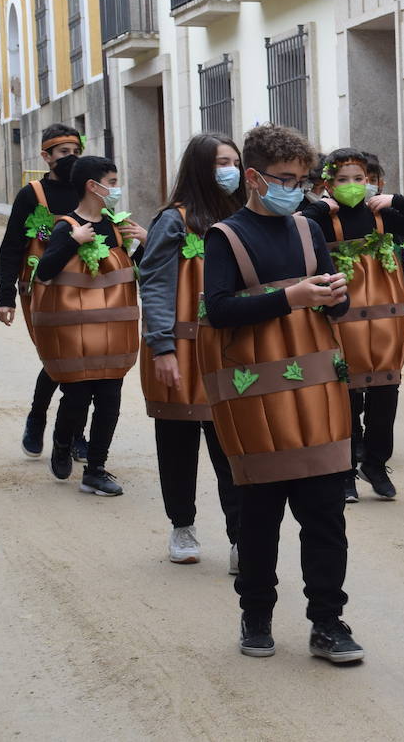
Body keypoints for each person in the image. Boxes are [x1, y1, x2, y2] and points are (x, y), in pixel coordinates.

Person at [199, 123, 362, 663]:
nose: (298, 187)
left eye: (303, 179)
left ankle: (328, 623)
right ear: (254, 177)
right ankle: (257, 615)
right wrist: (288, 296)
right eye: (286, 178)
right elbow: (218, 309)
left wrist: (336, 296)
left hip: (317, 397)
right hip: (255, 406)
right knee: (259, 517)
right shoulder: (224, 236)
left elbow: (332, 303)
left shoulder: (308, 229)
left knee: (324, 517)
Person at [302, 148, 404, 502]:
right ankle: (344, 470)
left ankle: (375, 464)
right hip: (341, 323)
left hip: (385, 323)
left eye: (358, 179)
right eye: (342, 180)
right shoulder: (321, 219)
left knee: (385, 394)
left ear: (369, 181)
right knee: (344, 397)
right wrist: (317, 206)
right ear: (328, 183)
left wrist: (399, 201)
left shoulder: (382, 216)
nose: (352, 186)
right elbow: (294, 229)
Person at [138, 134, 244, 567]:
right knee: (178, 442)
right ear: (201, 167)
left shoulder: (245, 218)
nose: (230, 170)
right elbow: (156, 284)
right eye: (221, 162)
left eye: (235, 161)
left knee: (235, 450)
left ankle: (241, 537)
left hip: (231, 352)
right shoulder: (174, 221)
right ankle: (182, 526)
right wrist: (162, 348)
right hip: (180, 350)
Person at [31, 155, 148, 496]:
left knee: (109, 399)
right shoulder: (66, 225)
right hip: (75, 335)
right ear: (91, 186)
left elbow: (143, 269)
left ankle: (95, 469)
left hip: (113, 334)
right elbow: (46, 271)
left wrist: (144, 240)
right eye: (112, 182)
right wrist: (72, 241)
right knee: (77, 398)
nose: (116, 189)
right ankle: (63, 440)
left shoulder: (117, 226)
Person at [0, 125, 84, 459]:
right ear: (46, 156)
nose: (71, 157)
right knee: (57, 356)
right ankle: (38, 416)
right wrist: (5, 297)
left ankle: (76, 433)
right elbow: (12, 247)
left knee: (83, 359)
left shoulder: (87, 189)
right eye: (63, 152)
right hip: (42, 290)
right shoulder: (32, 195)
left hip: (83, 288)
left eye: (75, 151)